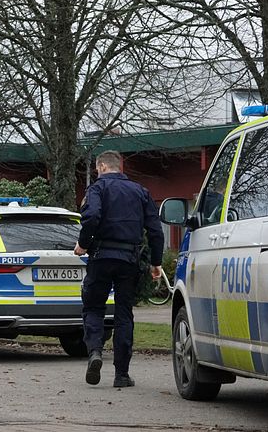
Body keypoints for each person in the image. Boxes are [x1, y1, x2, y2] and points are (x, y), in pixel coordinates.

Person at [74, 150, 164, 387]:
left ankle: (94, 351)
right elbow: (155, 229)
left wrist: (83, 244)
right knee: (124, 315)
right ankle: (121, 375)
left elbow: (91, 216)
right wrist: (156, 262)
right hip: (129, 259)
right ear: (119, 166)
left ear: (102, 166)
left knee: (93, 307)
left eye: (97, 168)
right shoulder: (140, 191)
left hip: (101, 256)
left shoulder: (97, 189)